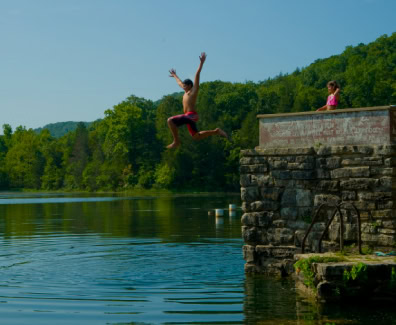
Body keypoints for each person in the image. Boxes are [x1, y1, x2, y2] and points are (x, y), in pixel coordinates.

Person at [167, 52, 228, 149]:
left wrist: (201, 63)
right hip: (188, 118)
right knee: (196, 137)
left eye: (184, 85)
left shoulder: (193, 91)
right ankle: (216, 131)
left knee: (170, 120)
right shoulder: (185, 93)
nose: (182, 86)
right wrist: (174, 75)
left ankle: (176, 141)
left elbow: (197, 74)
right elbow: (179, 82)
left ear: (189, 86)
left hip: (191, 115)